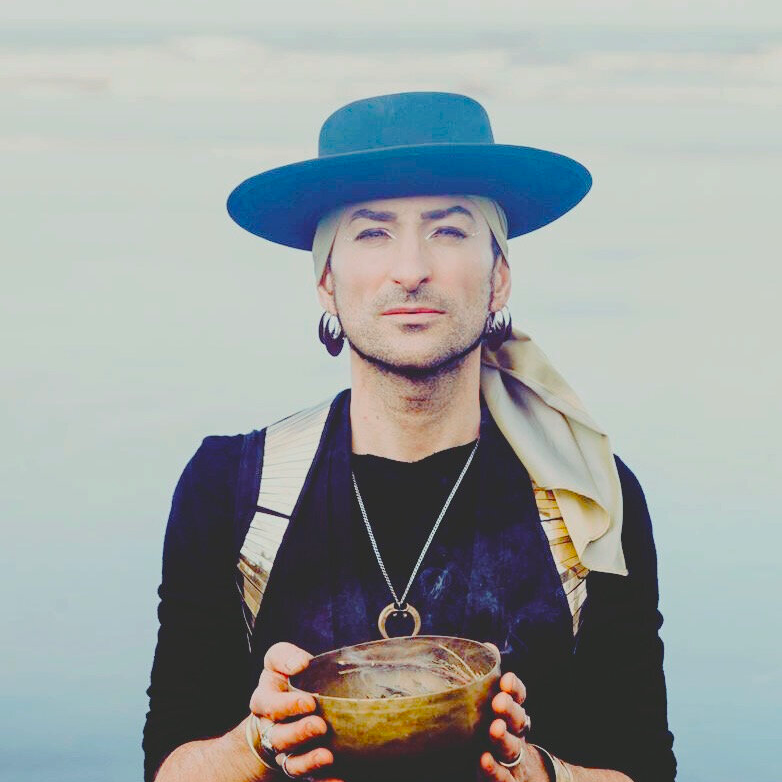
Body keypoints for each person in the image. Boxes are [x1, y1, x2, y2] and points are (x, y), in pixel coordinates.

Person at [143, 92, 676, 782]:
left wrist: (540, 773)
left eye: (448, 231)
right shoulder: (234, 487)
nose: (411, 270)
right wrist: (255, 744)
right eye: (372, 233)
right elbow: (168, 767)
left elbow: (644, 767)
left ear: (499, 277)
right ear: (327, 281)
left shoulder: (587, 495)